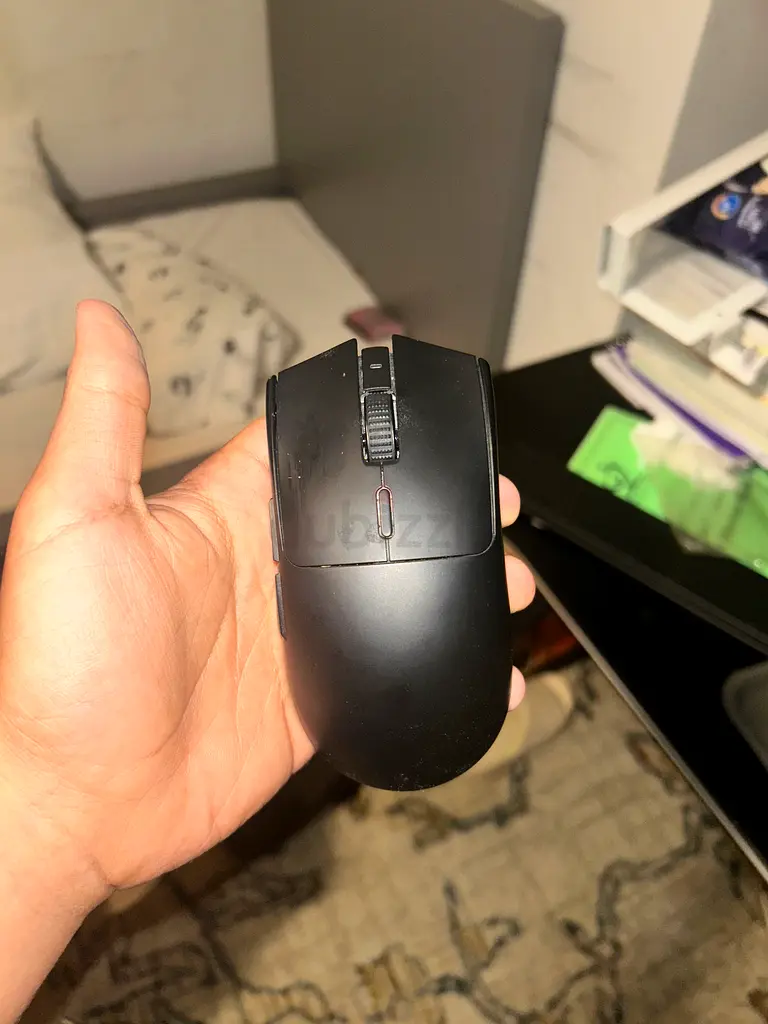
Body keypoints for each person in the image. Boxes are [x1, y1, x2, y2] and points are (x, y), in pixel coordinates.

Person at [0, 301, 536, 1022]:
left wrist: (50, 814)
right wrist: (51, 812)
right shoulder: (443, 404)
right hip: (410, 688)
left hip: (392, 684)